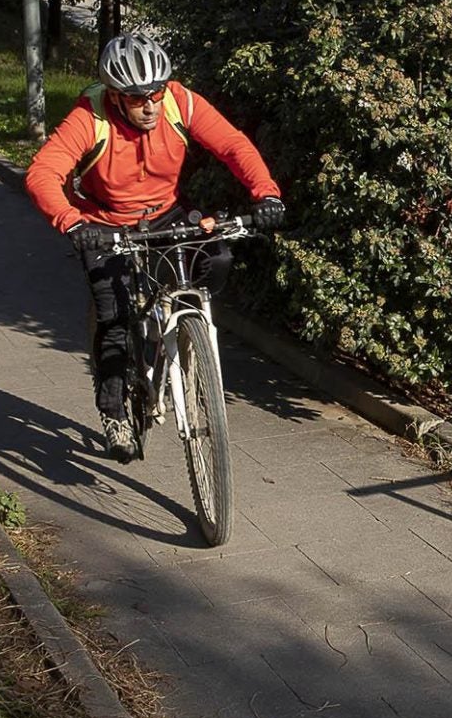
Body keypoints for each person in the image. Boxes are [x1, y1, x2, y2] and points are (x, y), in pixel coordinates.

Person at [24, 34, 286, 457]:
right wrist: (72, 224)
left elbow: (233, 145)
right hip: (103, 223)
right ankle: (114, 412)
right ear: (114, 95)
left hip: (165, 211)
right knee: (114, 319)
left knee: (218, 255)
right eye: (135, 97)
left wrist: (266, 194)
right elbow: (42, 173)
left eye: (155, 92)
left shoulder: (179, 102)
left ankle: (185, 327)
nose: (149, 105)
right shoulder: (89, 117)